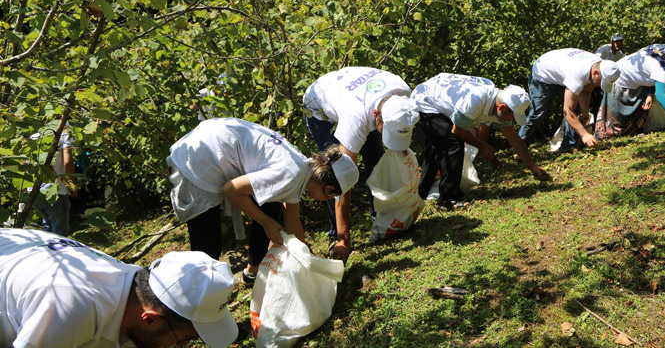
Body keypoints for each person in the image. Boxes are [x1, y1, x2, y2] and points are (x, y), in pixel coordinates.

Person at [166, 117, 358, 283]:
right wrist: (266, 223)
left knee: (270, 204)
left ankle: (251, 271)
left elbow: (293, 220)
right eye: (331, 197)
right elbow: (231, 189)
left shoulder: (301, 169)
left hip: (209, 144)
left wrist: (306, 261)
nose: (320, 201)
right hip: (198, 160)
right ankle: (191, 303)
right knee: (207, 248)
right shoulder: (290, 175)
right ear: (329, 189)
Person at [0, 228, 238, 348]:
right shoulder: (71, 307)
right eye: (182, 340)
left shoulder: (129, 282)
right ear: (149, 320)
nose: (182, 346)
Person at [302, 67, 419, 262]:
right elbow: (343, 181)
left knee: (376, 157)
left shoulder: (403, 98)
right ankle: (335, 236)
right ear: (376, 115)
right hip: (318, 106)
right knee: (332, 176)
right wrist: (344, 238)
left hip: (353, 93)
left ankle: (380, 217)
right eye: (386, 130)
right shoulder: (355, 119)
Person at [412, 74, 548, 209]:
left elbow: (512, 136)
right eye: (512, 117)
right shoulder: (476, 99)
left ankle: (421, 192)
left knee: (437, 147)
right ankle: (448, 199)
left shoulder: (498, 104)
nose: (512, 120)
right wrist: (482, 147)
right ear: (502, 108)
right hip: (425, 100)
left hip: (438, 100)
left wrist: (532, 166)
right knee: (452, 144)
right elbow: (458, 131)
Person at [518, 48, 621, 151]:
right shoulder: (577, 74)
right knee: (537, 114)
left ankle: (568, 147)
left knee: (577, 110)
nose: (600, 85)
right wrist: (584, 135)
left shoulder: (599, 66)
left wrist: (585, 113)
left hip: (562, 72)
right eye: (602, 82)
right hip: (542, 74)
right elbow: (567, 111)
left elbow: (586, 91)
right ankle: (520, 148)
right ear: (595, 73)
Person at [594, 43, 665, 138]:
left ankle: (630, 129)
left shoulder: (664, 56)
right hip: (621, 80)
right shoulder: (662, 69)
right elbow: (661, 97)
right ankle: (607, 133)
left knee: (638, 113)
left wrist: (649, 94)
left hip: (635, 81)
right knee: (617, 119)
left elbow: (649, 75)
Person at [29, 124, 76, 235]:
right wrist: (72, 183)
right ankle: (60, 252)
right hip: (56, 191)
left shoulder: (34, 137)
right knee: (60, 232)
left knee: (47, 230)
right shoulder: (65, 135)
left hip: (35, 191)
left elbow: (27, 165)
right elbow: (67, 162)